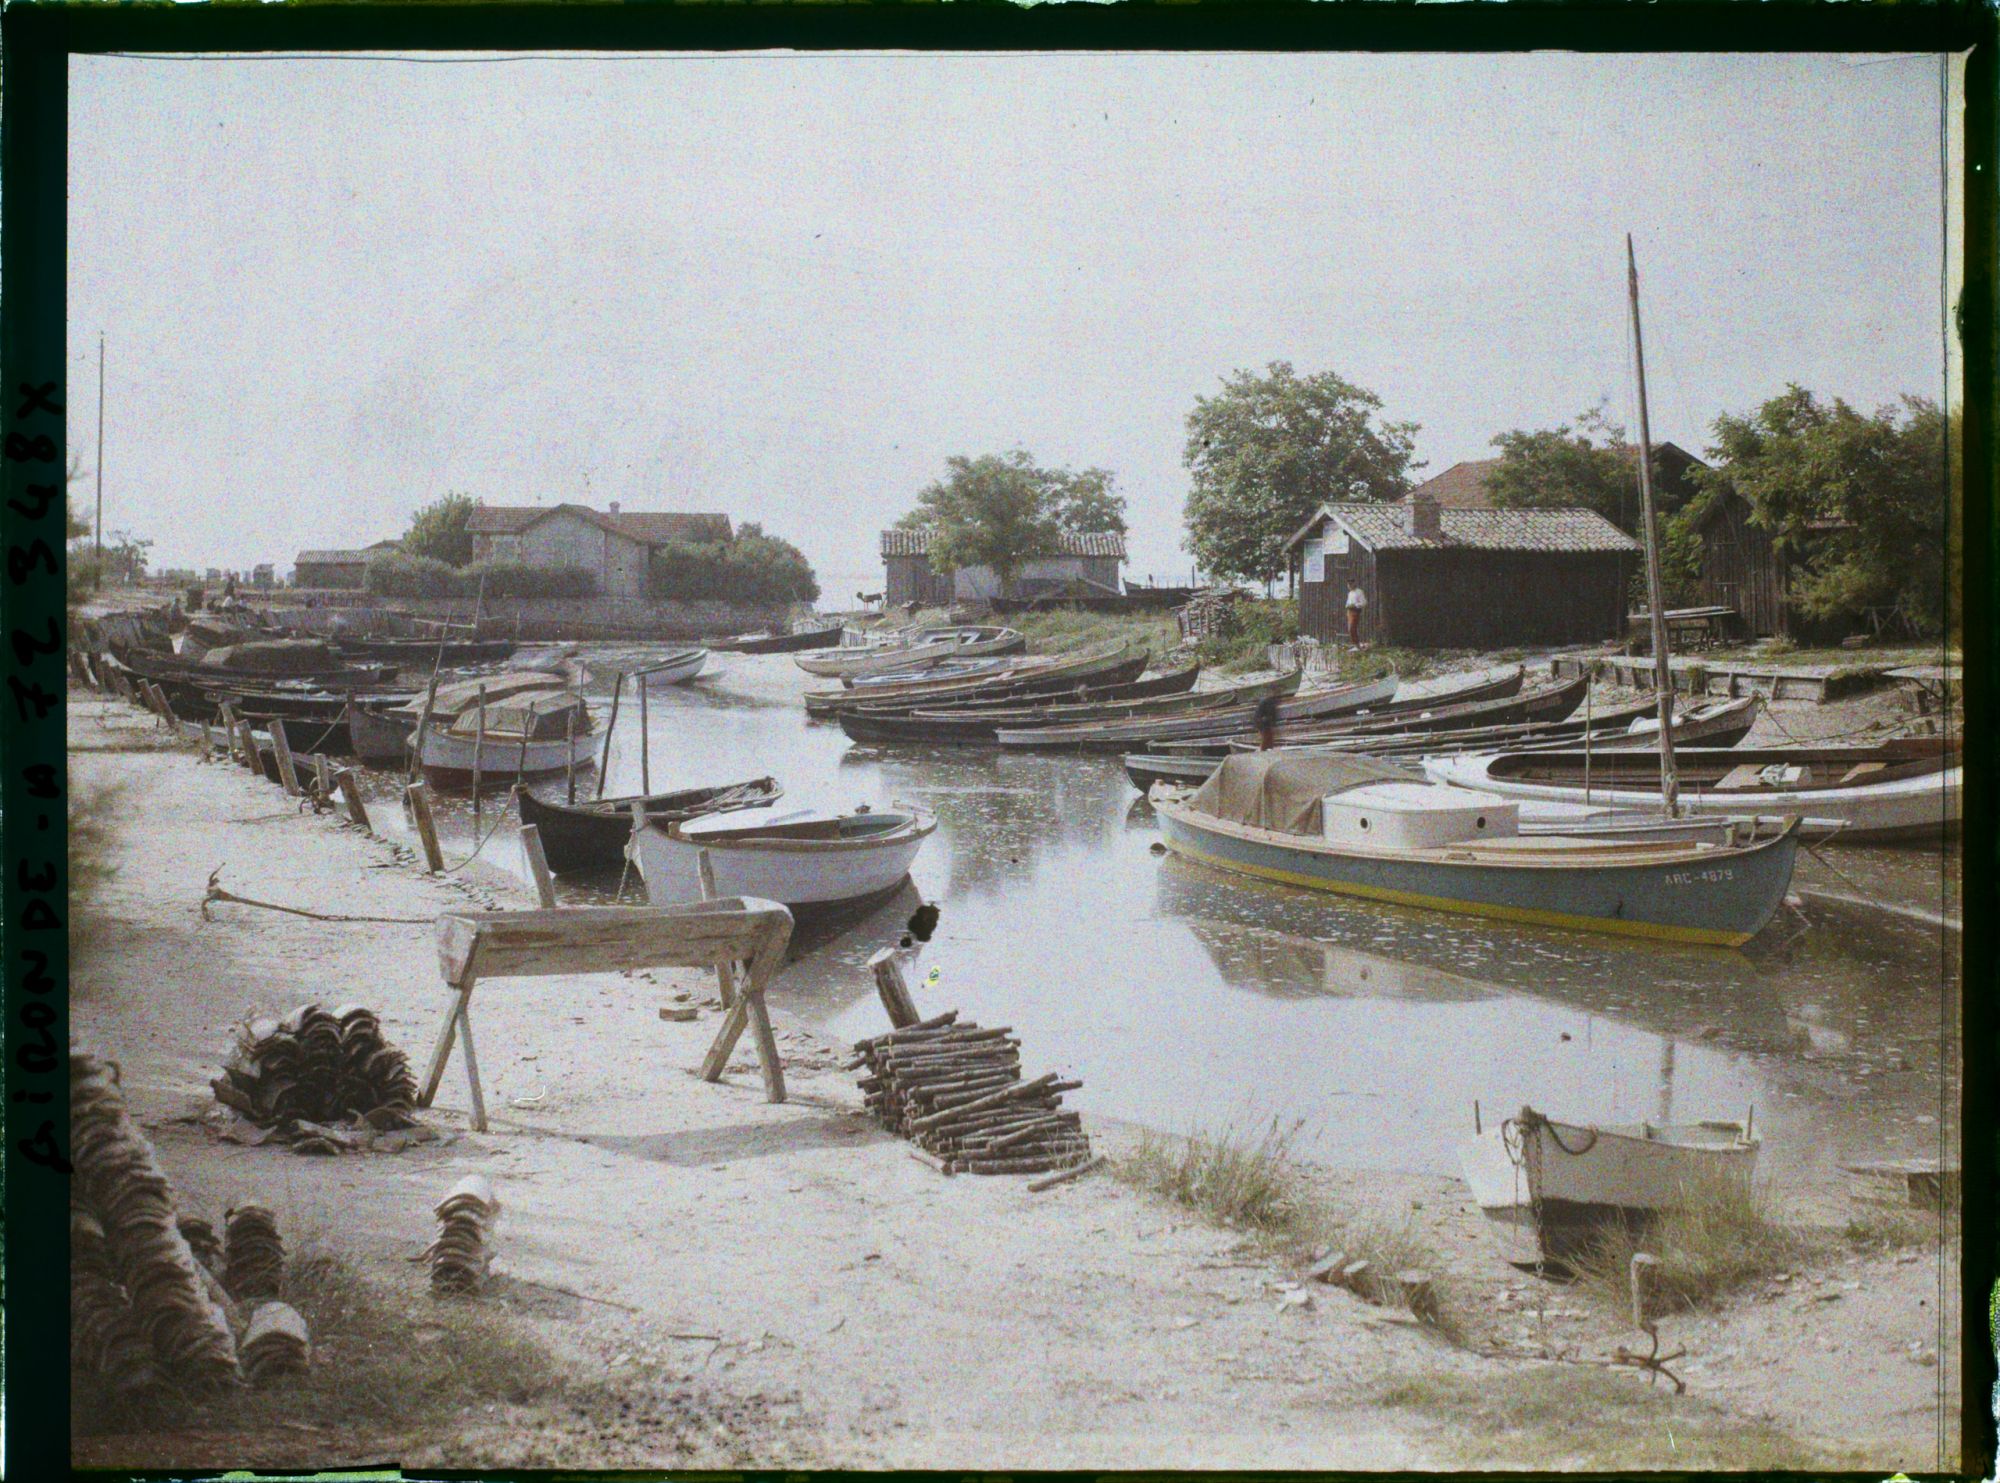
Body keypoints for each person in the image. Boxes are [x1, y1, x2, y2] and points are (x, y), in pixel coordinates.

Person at [1345, 583, 1367, 647]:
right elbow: (1347, 602)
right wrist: (1347, 605)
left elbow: (1364, 602)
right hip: (1349, 611)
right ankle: (1354, 644)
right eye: (1348, 585)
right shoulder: (1350, 593)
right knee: (1350, 628)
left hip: (1355, 610)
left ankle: (1356, 644)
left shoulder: (1359, 592)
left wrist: (1355, 605)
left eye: (1350, 585)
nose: (1349, 587)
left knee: (1352, 627)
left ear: (1353, 584)